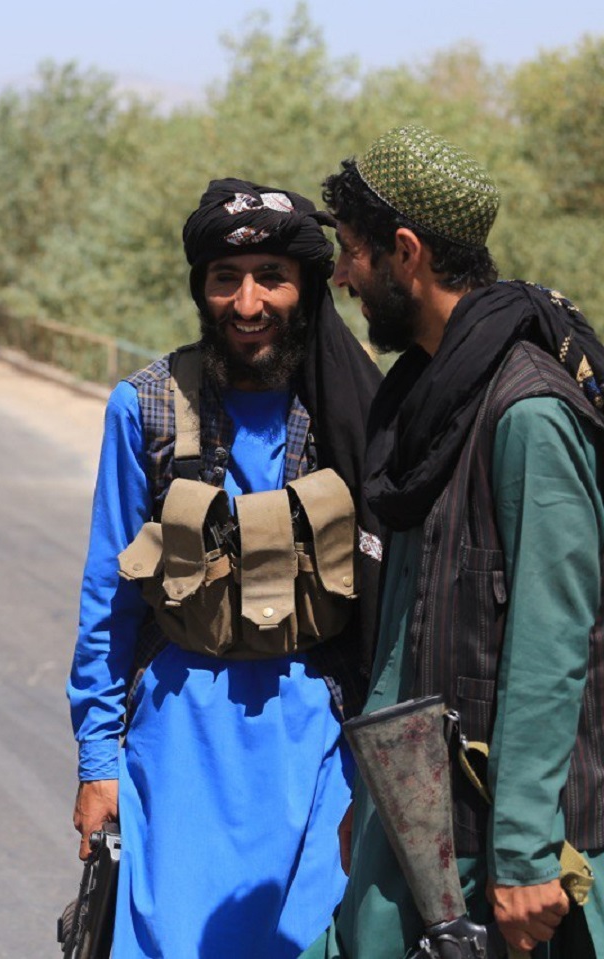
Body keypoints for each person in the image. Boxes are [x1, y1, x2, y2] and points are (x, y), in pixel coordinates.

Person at [306, 126, 604, 957]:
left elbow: (553, 652)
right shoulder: (423, 405)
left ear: (406, 253)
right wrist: (372, 802)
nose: (340, 277)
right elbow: (407, 637)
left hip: (504, 866)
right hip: (416, 830)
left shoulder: (527, 414)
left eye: (352, 253)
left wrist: (522, 856)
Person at [67, 179, 382, 958]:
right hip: (178, 748)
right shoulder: (143, 408)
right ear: (199, 290)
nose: (248, 303)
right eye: (225, 280)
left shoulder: (353, 409)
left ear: (306, 286)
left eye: (271, 277)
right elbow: (109, 599)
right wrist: (99, 759)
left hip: (317, 747)